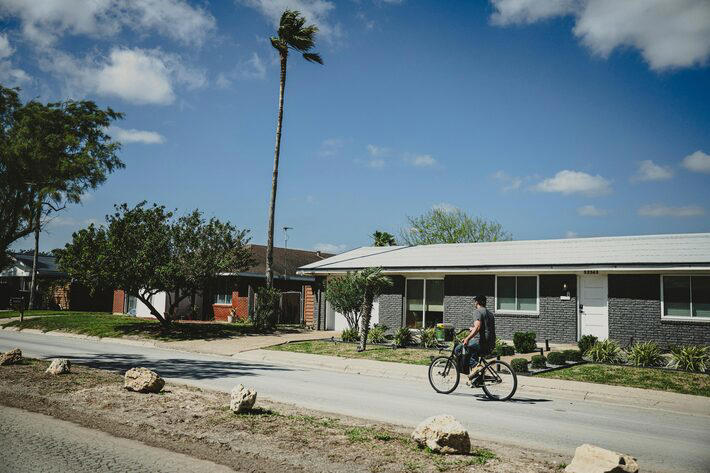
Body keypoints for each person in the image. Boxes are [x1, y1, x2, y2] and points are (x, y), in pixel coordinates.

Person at [455, 295, 496, 384]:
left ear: (477, 302)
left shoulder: (477, 311)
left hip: (481, 342)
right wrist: (472, 328)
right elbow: (484, 327)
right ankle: (477, 378)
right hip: (491, 343)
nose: (474, 303)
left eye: (475, 301)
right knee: (472, 351)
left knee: (459, 349)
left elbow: (477, 327)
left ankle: (476, 367)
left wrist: (467, 338)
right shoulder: (490, 314)